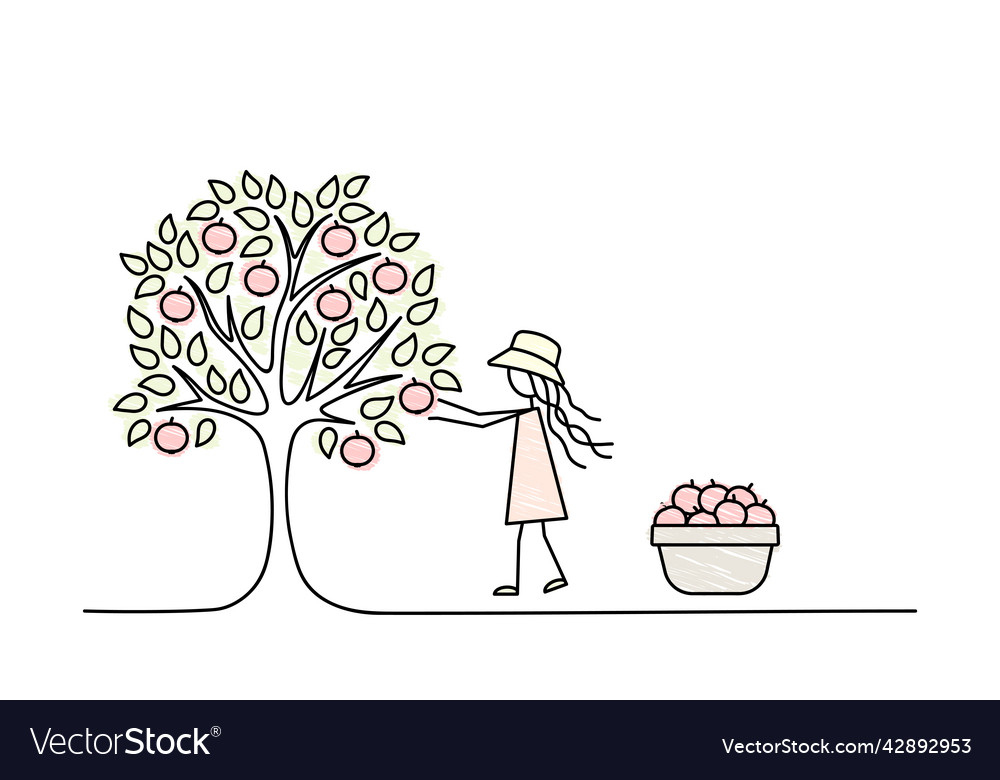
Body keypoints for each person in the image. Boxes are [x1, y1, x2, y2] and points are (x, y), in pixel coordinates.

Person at [430, 331, 613, 595]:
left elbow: (481, 419)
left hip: (532, 477)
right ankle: (550, 576)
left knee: (528, 530)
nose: (511, 376)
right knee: (534, 531)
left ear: (533, 378)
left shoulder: (530, 411)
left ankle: (520, 581)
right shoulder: (537, 411)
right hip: (531, 475)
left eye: (516, 371)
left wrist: (439, 410)